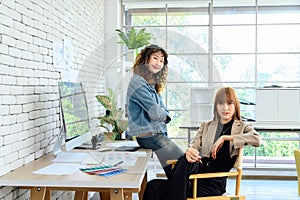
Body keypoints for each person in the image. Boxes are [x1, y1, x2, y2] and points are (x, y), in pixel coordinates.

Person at [142, 86, 262, 200]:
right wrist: (190, 151)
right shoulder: (206, 126)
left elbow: (257, 140)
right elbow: (194, 147)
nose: (225, 108)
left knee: (181, 166)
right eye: (221, 103)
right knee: (153, 185)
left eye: (230, 103)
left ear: (236, 105)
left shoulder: (242, 127)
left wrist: (226, 138)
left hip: (213, 183)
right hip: (195, 177)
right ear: (216, 106)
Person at [126, 44, 183, 177]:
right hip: (150, 135)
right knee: (183, 162)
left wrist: (163, 114)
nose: (158, 63)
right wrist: (164, 115)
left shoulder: (150, 84)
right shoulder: (138, 83)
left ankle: (177, 192)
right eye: (155, 58)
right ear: (146, 60)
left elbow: (163, 110)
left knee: (173, 169)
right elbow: (157, 113)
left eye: (162, 60)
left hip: (157, 133)